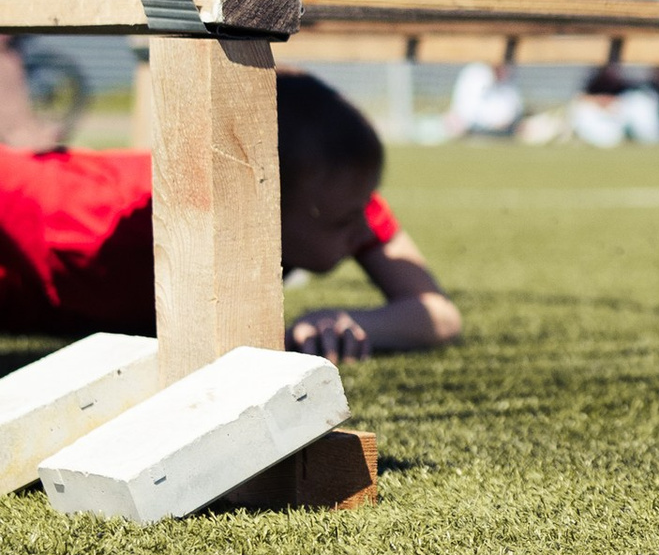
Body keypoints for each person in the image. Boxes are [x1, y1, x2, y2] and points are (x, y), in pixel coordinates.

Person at [0, 69, 461, 357]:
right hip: (55, 214)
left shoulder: (334, 192)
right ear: (259, 210)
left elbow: (436, 313)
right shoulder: (100, 224)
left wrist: (346, 321)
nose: (365, 227)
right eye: (344, 221)